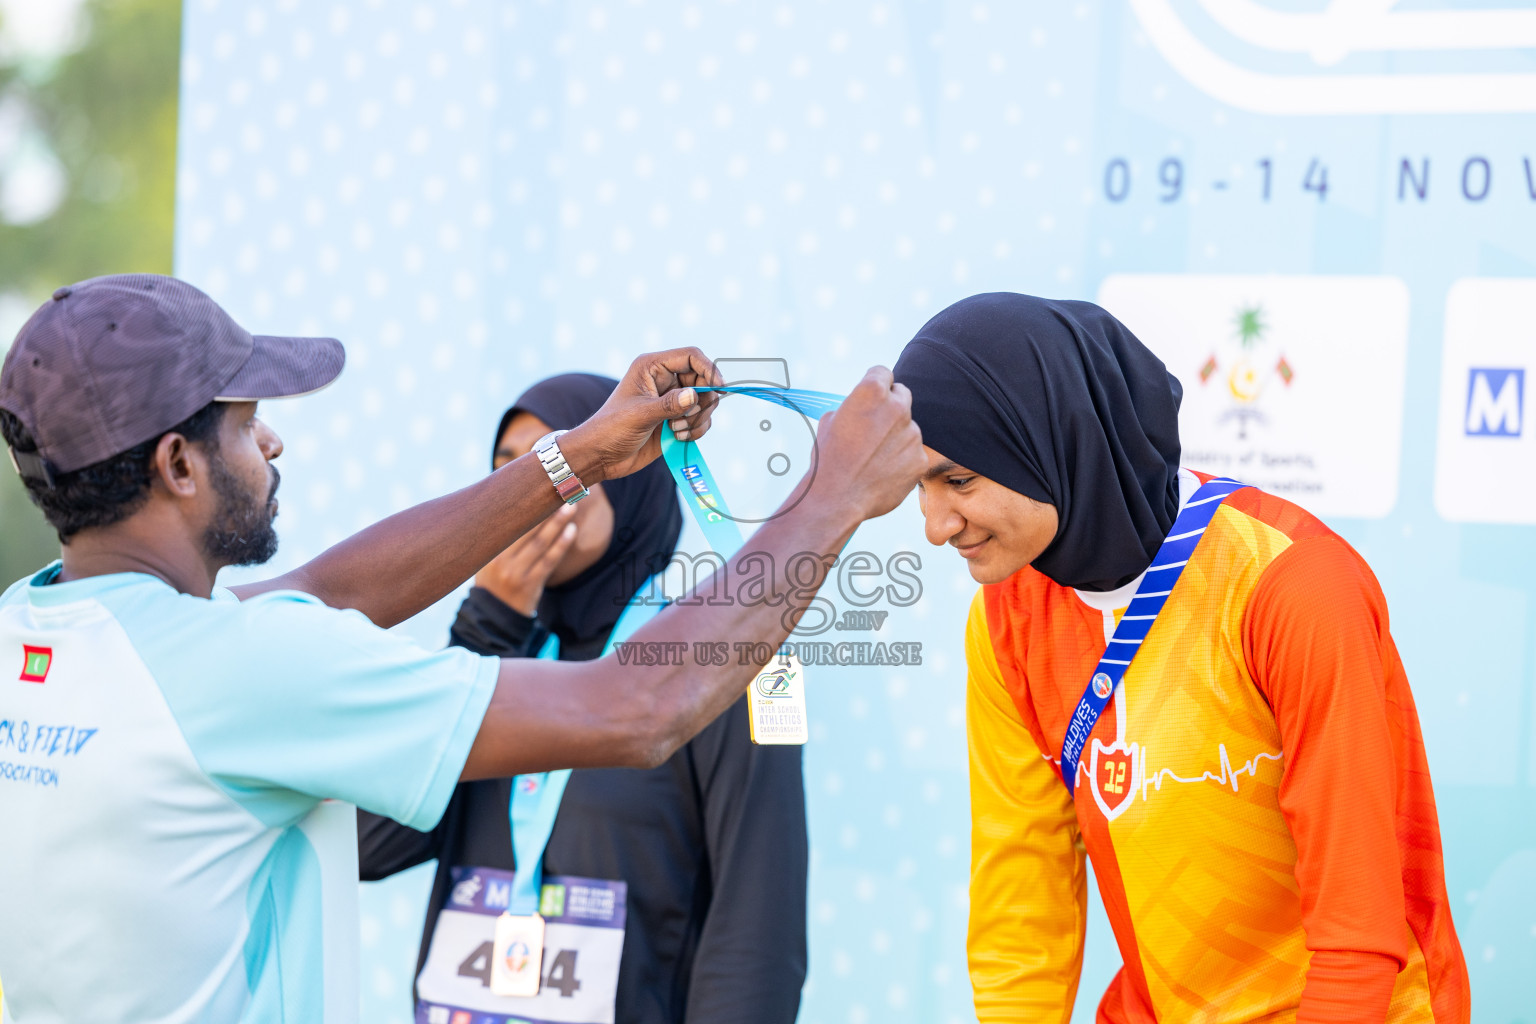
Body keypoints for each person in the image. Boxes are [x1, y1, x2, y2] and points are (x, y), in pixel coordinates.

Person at [0, 274, 925, 1023]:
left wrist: (581, 455)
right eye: (246, 423)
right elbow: (641, 708)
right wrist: (832, 496)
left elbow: (331, 594)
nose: (272, 439)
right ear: (178, 465)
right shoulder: (244, 666)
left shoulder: (33, 632)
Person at [892, 292, 1469, 1024]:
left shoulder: (1290, 585)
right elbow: (1022, 907)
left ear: (1048, 442)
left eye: (959, 480)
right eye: (919, 485)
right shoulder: (1007, 616)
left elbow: (1356, 931)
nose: (936, 526)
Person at [357, 373, 807, 1024]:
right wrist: (485, 629)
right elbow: (369, 845)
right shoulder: (491, 655)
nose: (526, 492)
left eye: (558, 462)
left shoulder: (717, 661)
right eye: (505, 471)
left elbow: (756, 943)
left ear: (627, 477)